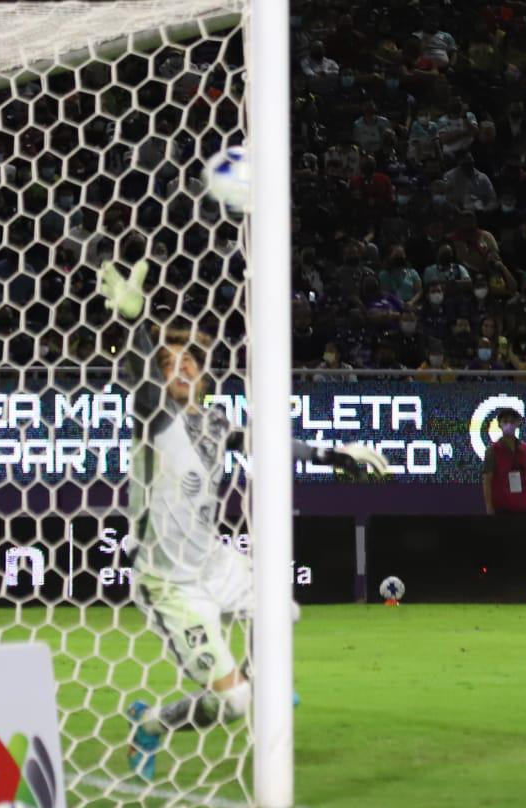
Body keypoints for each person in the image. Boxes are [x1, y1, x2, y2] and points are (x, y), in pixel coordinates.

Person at [99, 261, 387, 779]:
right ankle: (153, 724)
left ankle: (258, 684)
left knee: (281, 612)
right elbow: (142, 381)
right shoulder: (154, 418)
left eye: (189, 361)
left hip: (213, 562)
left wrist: (334, 454)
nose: (181, 369)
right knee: (231, 705)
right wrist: (134, 322)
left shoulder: (214, 422)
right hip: (169, 581)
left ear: (203, 375)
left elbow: (269, 443)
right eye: (169, 364)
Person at [482, 408, 526, 516]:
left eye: (512, 421)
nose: (509, 424)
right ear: (499, 424)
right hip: (502, 508)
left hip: (524, 507)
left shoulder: (525, 450)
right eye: (505, 421)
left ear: (518, 423)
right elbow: (487, 481)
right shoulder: (492, 451)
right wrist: (489, 508)